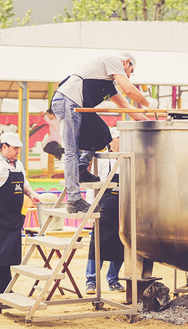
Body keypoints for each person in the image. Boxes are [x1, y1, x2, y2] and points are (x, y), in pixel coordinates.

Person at [51, 52, 157, 214]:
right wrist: (149, 103)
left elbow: (128, 108)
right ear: (126, 63)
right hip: (68, 100)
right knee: (72, 150)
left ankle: (81, 167)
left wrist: (151, 124)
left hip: (78, 104)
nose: (129, 75)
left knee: (101, 133)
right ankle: (73, 199)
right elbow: (128, 89)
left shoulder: (109, 84)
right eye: (131, 71)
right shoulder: (113, 60)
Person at [0, 132, 41, 293]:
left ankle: (6, 289)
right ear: (4, 147)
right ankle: (4, 290)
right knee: (1, 257)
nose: (18, 151)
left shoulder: (18, 164)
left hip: (14, 219)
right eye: (15, 148)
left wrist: (32, 193)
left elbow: (24, 183)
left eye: (19, 148)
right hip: (1, 219)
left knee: (8, 257)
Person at [85, 127, 124, 294]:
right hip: (104, 206)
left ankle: (113, 280)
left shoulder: (127, 159)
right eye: (119, 138)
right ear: (111, 141)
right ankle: (91, 281)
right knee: (97, 244)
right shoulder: (101, 159)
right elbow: (92, 186)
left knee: (121, 244)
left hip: (123, 206)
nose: (122, 140)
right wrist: (90, 210)